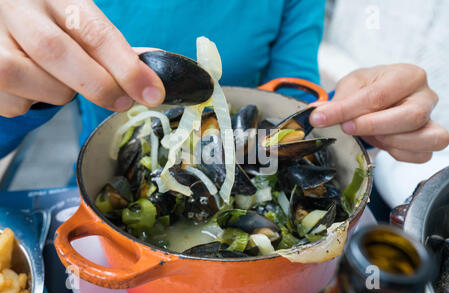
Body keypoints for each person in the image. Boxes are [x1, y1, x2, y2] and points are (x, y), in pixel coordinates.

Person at [0, 0, 448, 163]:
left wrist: (361, 118)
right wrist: (20, 93)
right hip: (107, 177)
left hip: (248, 166)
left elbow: (287, 113)